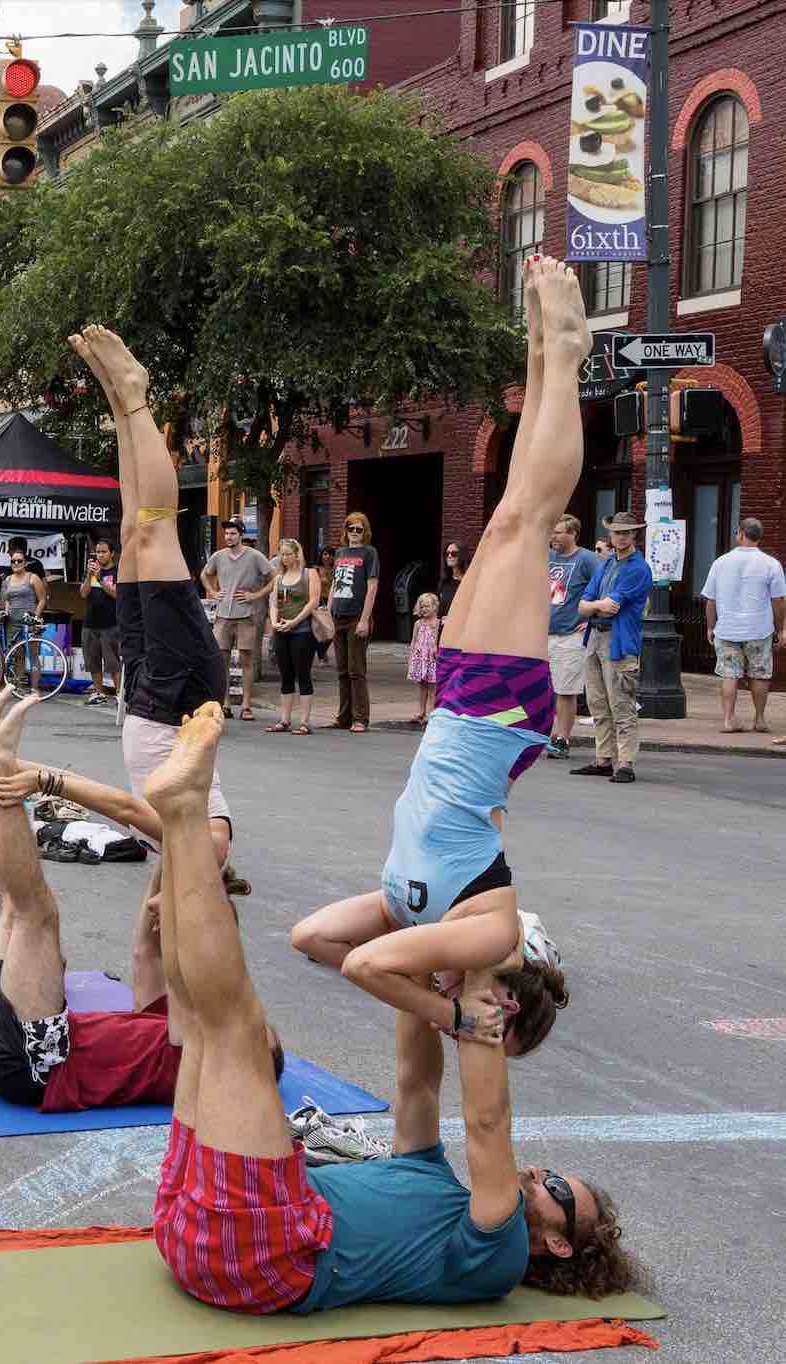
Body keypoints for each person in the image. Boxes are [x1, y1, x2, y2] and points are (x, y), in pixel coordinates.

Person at [145, 706, 641, 1316]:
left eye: (557, 1190)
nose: (538, 1174)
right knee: (195, 1022)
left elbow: (487, 1124)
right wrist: (443, 960)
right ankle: (178, 822)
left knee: (236, 1031)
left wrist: (483, 972)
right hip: (189, 1222)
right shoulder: (431, 1176)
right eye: (550, 1173)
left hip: (259, 1254)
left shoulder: (495, 1256)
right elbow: (417, 1084)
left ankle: (186, 812)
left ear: (559, 1244)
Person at [291, 258, 583, 1050]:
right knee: (526, 516)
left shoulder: (414, 913)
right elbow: (364, 967)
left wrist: (422, 989)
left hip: (463, 709)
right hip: (496, 719)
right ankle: (564, 350)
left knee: (505, 517)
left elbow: (315, 939)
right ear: (504, 1003)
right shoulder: (485, 937)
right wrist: (450, 1014)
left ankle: (540, 348)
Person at [0, 689, 283, 1111]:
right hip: (25, 1044)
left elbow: (190, 966)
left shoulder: (199, 1043)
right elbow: (144, 950)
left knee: (35, 913)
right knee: (15, 903)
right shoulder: (167, 1015)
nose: (152, 909)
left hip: (40, 1063)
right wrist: (176, 858)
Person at [68, 324, 230, 856]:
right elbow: (211, 843)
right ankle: (136, 394)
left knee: (132, 530)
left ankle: (118, 401)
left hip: (146, 690)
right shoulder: (205, 844)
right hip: (180, 690)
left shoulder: (164, 852)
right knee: (157, 527)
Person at [571, 511, 652, 783]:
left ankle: (625, 762)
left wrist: (594, 607)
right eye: (616, 532)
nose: (620, 537)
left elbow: (611, 608)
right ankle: (604, 758)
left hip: (619, 642)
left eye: (625, 532)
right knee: (597, 703)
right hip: (595, 638)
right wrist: (596, 606)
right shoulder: (606, 564)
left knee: (622, 704)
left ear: (635, 535)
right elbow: (585, 606)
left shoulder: (639, 568)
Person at [702, 517, 786, 736]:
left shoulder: (720, 562)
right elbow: (778, 601)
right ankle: (759, 719)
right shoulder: (771, 564)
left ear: (740, 533)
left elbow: (710, 600)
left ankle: (729, 720)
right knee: (760, 675)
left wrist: (710, 627)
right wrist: (781, 628)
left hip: (727, 628)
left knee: (729, 674)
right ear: (759, 536)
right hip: (759, 629)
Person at [201, 520, 274, 722]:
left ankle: (246, 705)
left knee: (246, 661)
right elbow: (204, 575)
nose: (228, 537)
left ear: (240, 534)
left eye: (232, 533)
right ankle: (225, 703)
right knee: (221, 660)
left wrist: (256, 595)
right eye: (226, 534)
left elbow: (273, 578)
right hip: (223, 616)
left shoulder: (254, 556)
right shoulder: (218, 556)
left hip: (246, 616)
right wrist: (213, 592)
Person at [545, 514, 601, 761]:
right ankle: (546, 735)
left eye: (558, 532)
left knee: (566, 690)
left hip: (570, 635)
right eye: (552, 532)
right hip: (544, 633)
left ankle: (562, 739)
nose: (553, 537)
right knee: (545, 689)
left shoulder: (587, 559)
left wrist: (591, 618)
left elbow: (605, 586)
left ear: (573, 534)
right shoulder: (547, 557)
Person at [328, 512, 379, 733]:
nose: (355, 533)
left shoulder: (369, 553)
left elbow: (372, 586)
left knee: (356, 670)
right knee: (341, 670)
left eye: (359, 529)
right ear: (346, 530)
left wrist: (365, 619)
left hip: (356, 616)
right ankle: (343, 717)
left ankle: (360, 718)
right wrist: (328, 611)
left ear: (364, 531)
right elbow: (334, 584)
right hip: (338, 615)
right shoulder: (340, 552)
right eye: (351, 529)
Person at [266, 537, 318, 735]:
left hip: (302, 631)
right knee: (285, 675)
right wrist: (273, 622)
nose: (285, 557)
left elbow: (312, 602)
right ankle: (284, 719)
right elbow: (273, 602)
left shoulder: (309, 574)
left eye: (288, 554)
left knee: (302, 674)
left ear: (297, 554)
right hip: (281, 630)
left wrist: (294, 622)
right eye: (282, 554)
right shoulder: (279, 577)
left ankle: (304, 722)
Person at [0, 543, 48, 694]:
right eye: (13, 561)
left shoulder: (33, 578)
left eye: (19, 561)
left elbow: (42, 599)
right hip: (12, 621)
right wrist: (5, 612)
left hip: (30, 620)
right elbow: (7, 599)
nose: (16, 564)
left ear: (25, 563)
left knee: (33, 655)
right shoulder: (7, 580)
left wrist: (35, 617)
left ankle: (34, 688)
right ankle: (19, 687)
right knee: (18, 655)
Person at [78, 538, 121, 707]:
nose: (100, 555)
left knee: (113, 661)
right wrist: (89, 576)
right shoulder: (91, 572)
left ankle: (119, 694)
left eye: (103, 552)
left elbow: (117, 594)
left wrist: (101, 579)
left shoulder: (117, 572)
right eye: (98, 552)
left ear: (112, 553)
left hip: (111, 623)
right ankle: (98, 692)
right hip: (90, 623)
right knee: (93, 660)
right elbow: (83, 593)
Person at [407, 591, 440, 724]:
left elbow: (438, 641)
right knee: (422, 686)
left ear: (435, 607)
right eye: (422, 607)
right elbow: (413, 642)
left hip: (431, 659)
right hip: (420, 658)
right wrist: (411, 658)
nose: (424, 609)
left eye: (427, 606)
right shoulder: (418, 624)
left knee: (432, 687)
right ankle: (421, 710)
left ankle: (430, 711)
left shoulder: (438, 623)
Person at [313, 545, 336, 663]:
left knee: (333, 629)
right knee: (320, 629)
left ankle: (322, 651)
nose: (328, 557)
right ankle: (321, 654)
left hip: (333, 601)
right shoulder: (316, 569)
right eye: (325, 554)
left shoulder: (337, 569)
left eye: (331, 554)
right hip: (319, 601)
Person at [437, 541, 469, 624]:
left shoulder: (469, 582)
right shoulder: (444, 583)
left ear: (462, 556)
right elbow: (439, 613)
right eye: (447, 553)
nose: (449, 556)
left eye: (454, 553)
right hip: (444, 631)